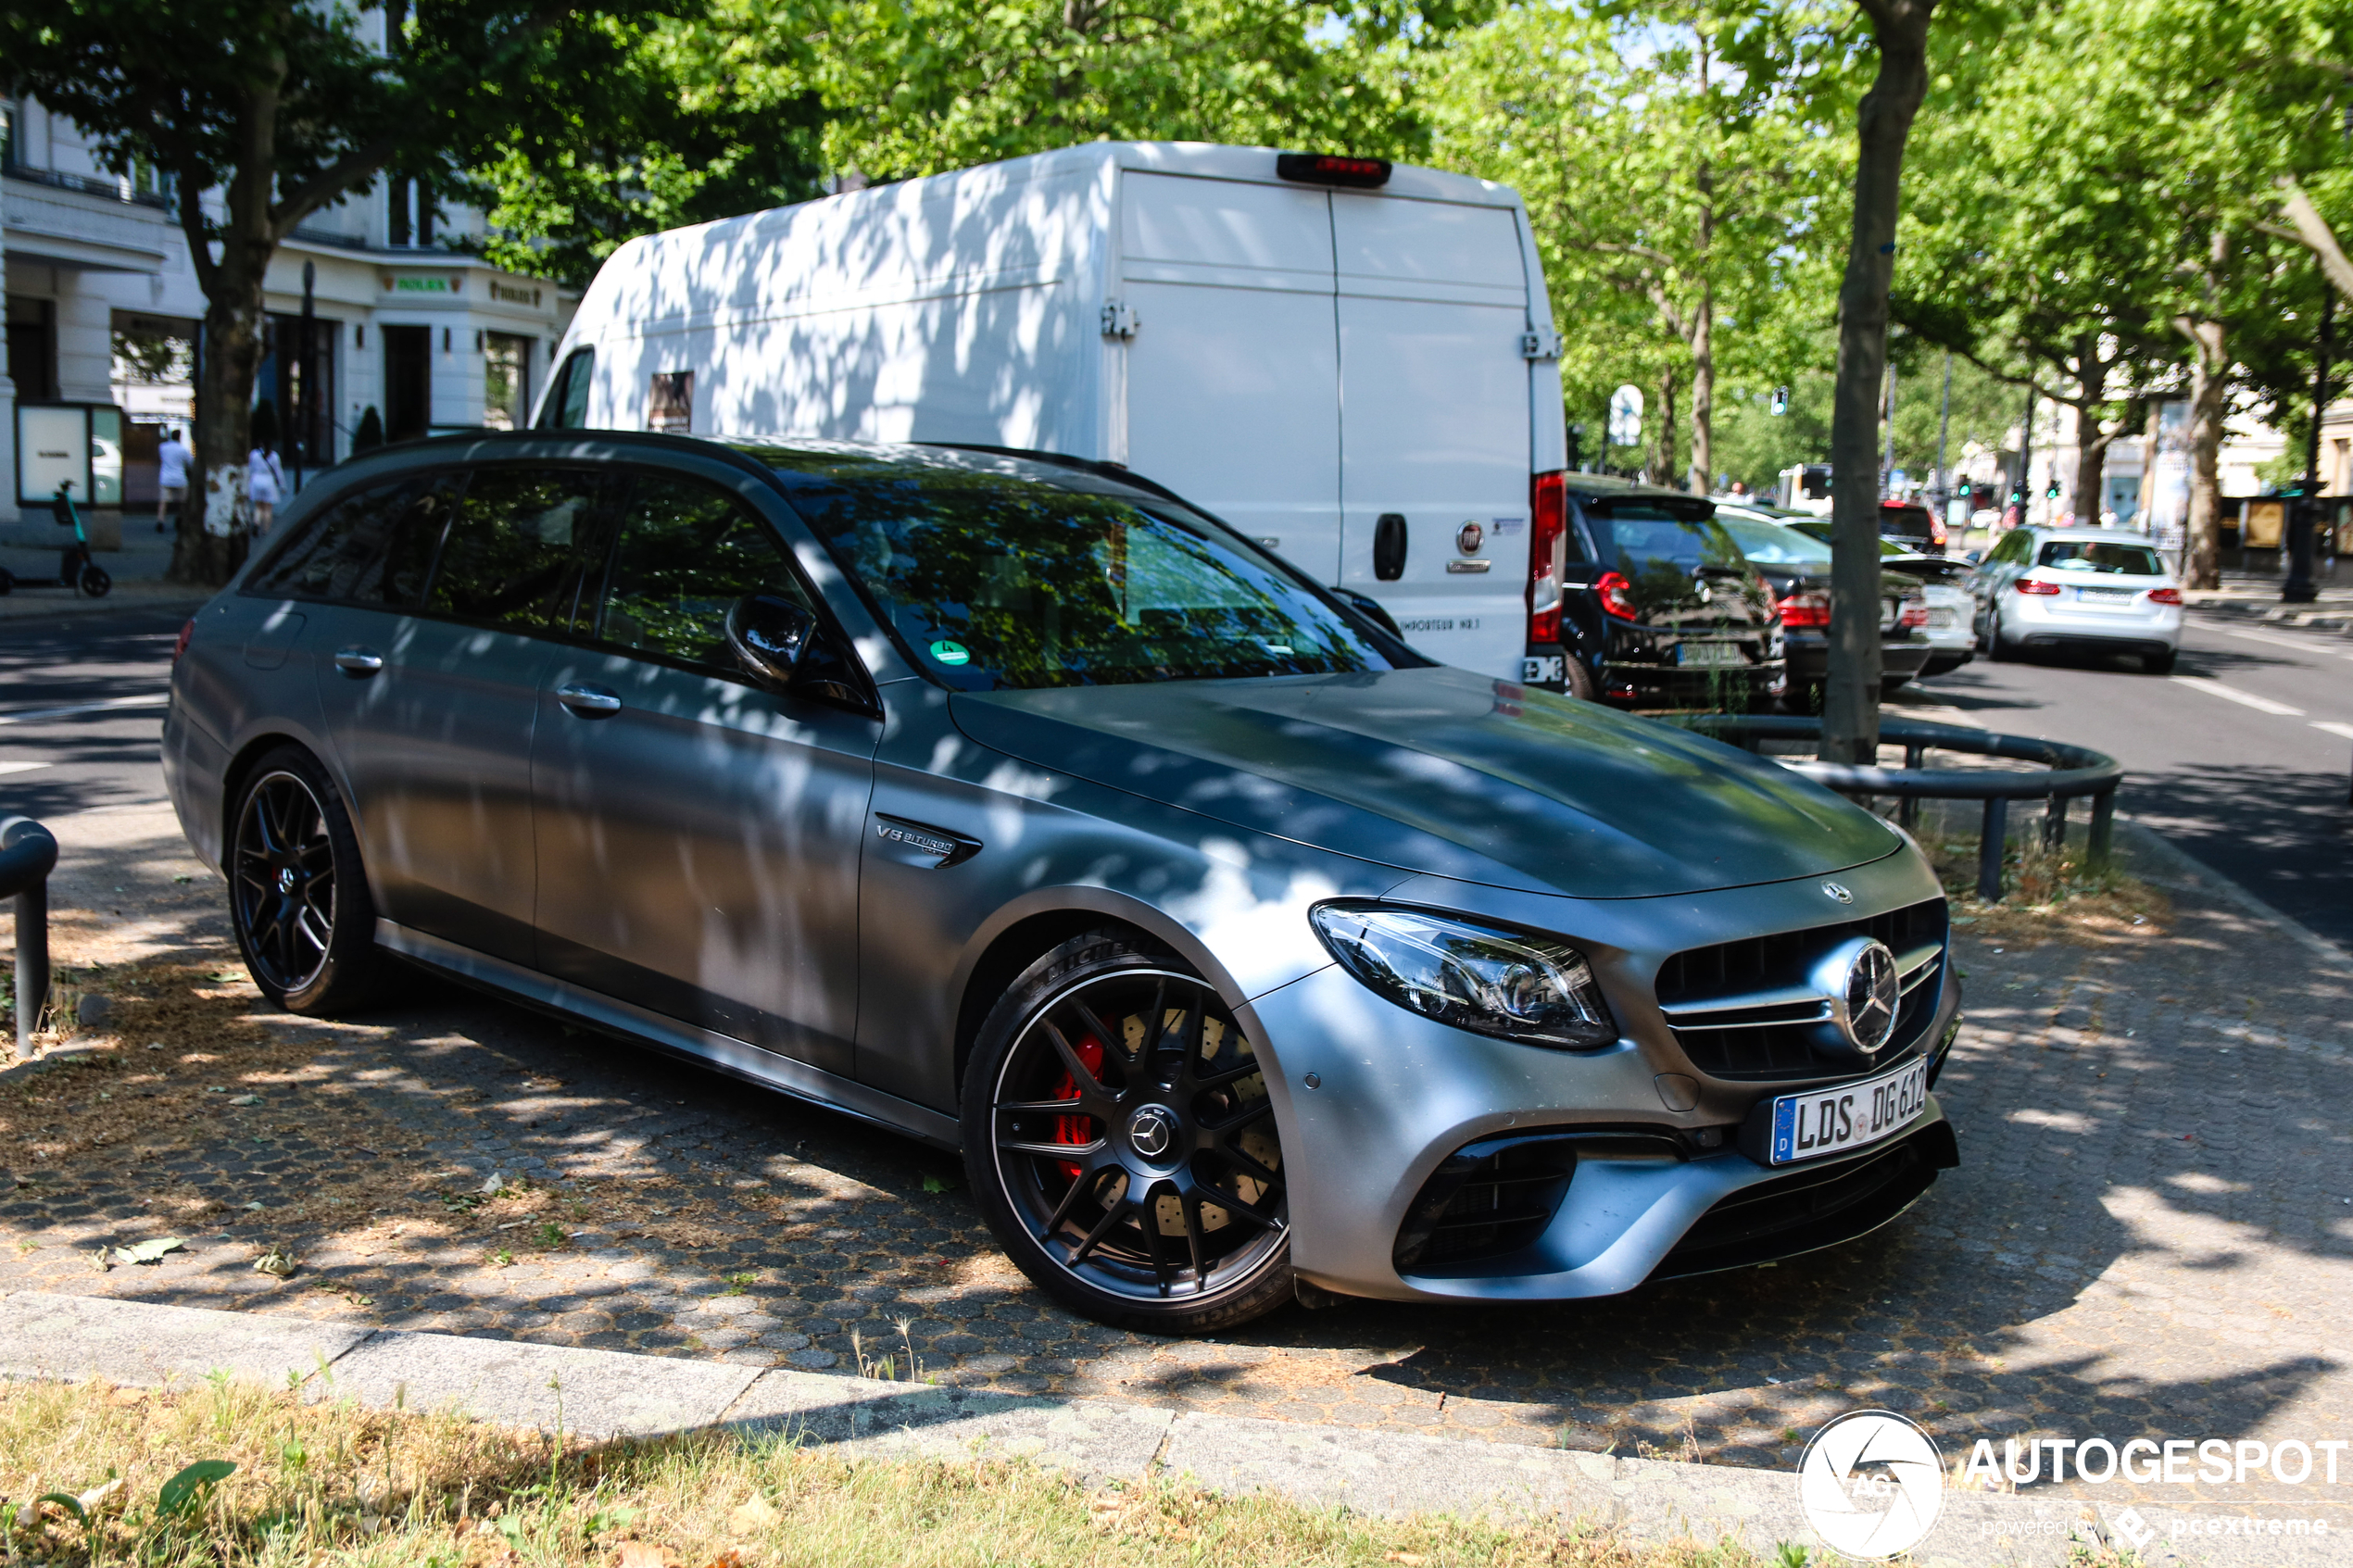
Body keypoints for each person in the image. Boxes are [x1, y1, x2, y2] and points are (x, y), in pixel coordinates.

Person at [155, 428, 192, 533]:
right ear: (180, 437)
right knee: (183, 502)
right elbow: (190, 463)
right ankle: (181, 520)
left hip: (165, 478)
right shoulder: (183, 450)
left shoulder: (163, 447)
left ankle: (160, 521)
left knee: (163, 502)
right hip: (180, 479)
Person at [245, 443, 285, 534]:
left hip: (256, 480)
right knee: (268, 508)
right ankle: (266, 530)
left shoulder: (254, 454)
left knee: (258, 506)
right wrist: (282, 485)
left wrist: (248, 482)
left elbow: (250, 468)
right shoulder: (274, 456)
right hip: (269, 480)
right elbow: (278, 471)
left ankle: (256, 522)